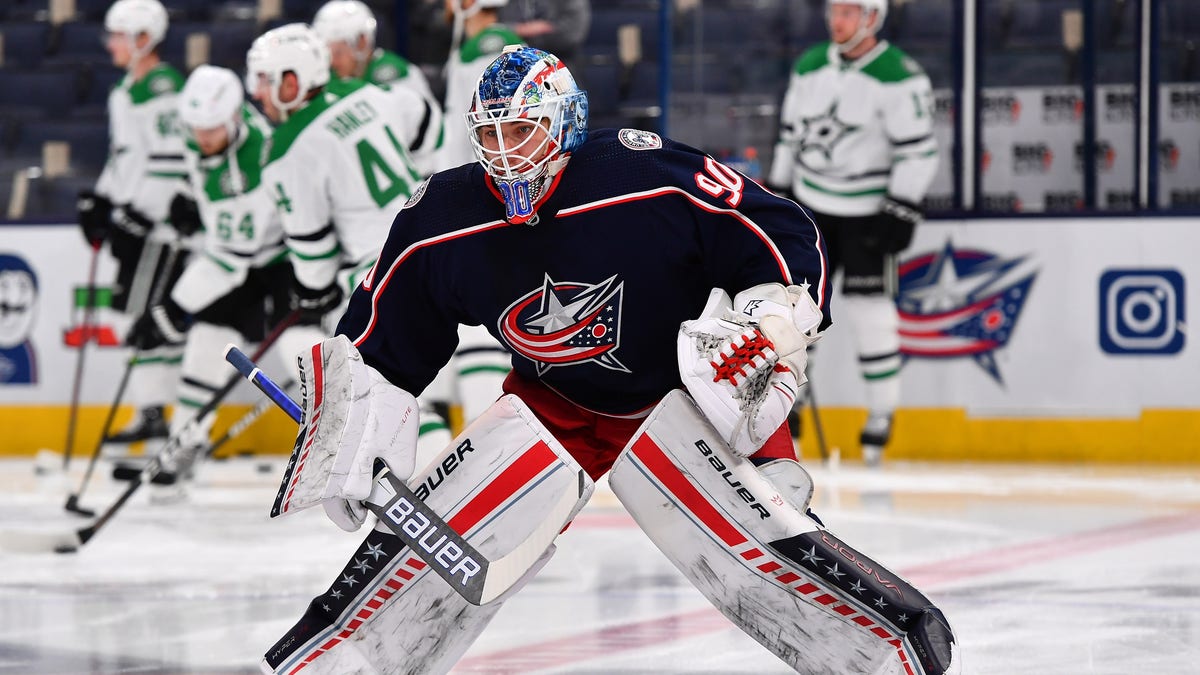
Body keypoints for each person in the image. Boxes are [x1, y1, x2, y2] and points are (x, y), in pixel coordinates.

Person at [260, 46, 958, 675]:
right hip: (551, 406)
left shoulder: (644, 174)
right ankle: (336, 662)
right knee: (424, 556)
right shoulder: (447, 213)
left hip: (684, 398)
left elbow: (775, 226)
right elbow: (384, 331)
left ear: (563, 125)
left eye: (522, 131)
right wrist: (354, 438)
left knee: (770, 555)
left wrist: (774, 322)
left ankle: (888, 657)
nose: (504, 154)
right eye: (491, 133)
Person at [244, 23, 451, 455]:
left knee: (387, 399)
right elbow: (430, 125)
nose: (257, 93)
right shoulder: (368, 93)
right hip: (439, 243)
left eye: (264, 80)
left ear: (292, 80)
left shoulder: (287, 149)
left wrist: (312, 291)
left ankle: (452, 496)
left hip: (383, 273)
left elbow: (314, 257)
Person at [767, 0, 938, 466]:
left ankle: (880, 417)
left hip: (867, 212)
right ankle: (789, 410)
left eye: (849, 11)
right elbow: (789, 134)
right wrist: (780, 193)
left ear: (872, 17)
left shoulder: (900, 76)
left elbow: (919, 151)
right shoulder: (809, 65)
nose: (836, 20)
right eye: (834, 10)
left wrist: (902, 208)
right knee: (800, 312)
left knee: (870, 312)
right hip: (812, 207)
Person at [120, 64, 301, 483]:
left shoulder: (255, 158)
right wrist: (191, 200)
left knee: (304, 349)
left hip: (286, 260)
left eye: (212, 129)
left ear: (236, 117)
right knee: (206, 343)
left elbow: (228, 258)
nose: (203, 139)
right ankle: (183, 446)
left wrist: (171, 311)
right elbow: (206, 185)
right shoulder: (200, 135)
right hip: (241, 256)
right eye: (197, 128)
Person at [77, 0, 189, 446]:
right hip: (137, 224)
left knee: (149, 318)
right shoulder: (126, 89)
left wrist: (138, 216)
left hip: (158, 232)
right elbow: (126, 157)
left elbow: (170, 164)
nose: (111, 46)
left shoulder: (164, 88)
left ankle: (159, 417)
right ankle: (152, 414)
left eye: (119, 36)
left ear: (144, 38)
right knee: (136, 316)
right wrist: (102, 201)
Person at [434, 0, 522, 171]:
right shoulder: (514, 41)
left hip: (485, 166)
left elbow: (459, 124)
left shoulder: (473, 53)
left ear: (469, 2)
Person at [312, 0, 435, 100]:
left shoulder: (395, 72)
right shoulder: (325, 79)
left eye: (338, 53)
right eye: (327, 55)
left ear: (361, 43)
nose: (332, 62)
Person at [499, 0, 591, 69]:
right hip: (515, 65)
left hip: (561, 65)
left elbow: (572, 34)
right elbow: (496, 29)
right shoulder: (509, 4)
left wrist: (527, 33)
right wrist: (526, 29)